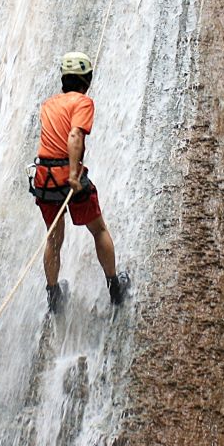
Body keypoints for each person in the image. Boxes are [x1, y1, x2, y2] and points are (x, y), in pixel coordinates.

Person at [29, 51, 130, 313]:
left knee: (53, 239)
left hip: (44, 179)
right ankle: (115, 288)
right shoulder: (83, 102)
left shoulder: (48, 104)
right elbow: (74, 135)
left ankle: (53, 296)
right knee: (98, 230)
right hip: (66, 176)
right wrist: (74, 174)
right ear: (87, 79)